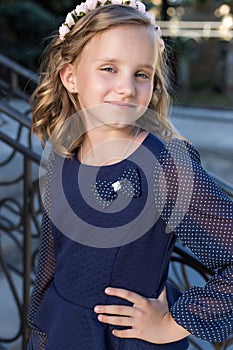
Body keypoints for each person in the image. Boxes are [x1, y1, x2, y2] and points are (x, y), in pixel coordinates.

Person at [27, 1, 233, 349]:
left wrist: (175, 323)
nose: (126, 87)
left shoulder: (164, 164)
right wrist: (41, 328)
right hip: (62, 331)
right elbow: (52, 255)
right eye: (109, 68)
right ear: (71, 76)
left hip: (121, 340)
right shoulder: (64, 152)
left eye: (141, 74)